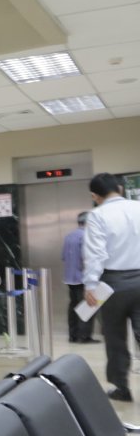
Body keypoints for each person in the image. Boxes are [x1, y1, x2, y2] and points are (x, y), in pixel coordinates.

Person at [82, 172, 140, 402]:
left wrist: (90, 285)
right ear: (120, 188)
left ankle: (121, 389)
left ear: (95, 196)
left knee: (115, 337)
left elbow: (96, 253)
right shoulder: (138, 207)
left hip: (113, 284)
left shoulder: (97, 215)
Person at [63, 211, 98, 343]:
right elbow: (87, 259)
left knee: (73, 306)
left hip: (69, 278)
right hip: (83, 278)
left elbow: (64, 257)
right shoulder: (86, 236)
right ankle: (84, 336)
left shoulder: (69, 236)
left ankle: (73, 335)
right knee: (87, 306)